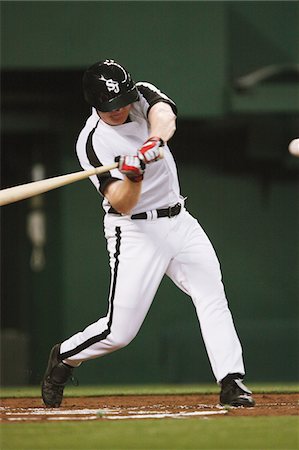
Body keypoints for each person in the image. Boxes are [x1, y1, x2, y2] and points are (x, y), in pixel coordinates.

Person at [41, 59, 255, 408]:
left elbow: (165, 116)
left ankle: (232, 381)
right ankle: (64, 356)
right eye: (110, 107)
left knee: (211, 296)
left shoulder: (139, 96)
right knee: (118, 332)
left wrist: (151, 143)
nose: (120, 109)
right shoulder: (92, 143)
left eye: (123, 101)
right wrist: (135, 175)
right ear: (94, 105)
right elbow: (122, 203)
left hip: (180, 219)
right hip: (135, 231)